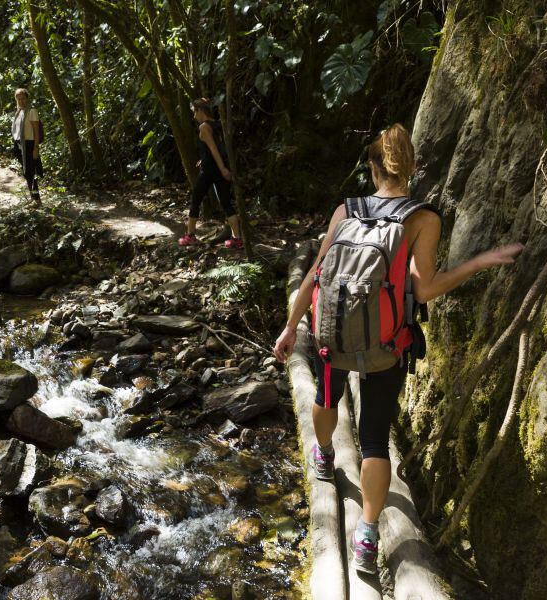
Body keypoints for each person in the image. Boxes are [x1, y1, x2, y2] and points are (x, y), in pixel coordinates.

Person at [271, 123, 523, 574]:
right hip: (385, 344)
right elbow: (424, 290)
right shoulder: (422, 219)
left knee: (327, 397)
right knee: (373, 439)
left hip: (331, 336)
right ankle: (367, 536)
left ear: (372, 167)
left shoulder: (345, 210)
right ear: (413, 167)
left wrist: (291, 328)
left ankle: (324, 455)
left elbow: (315, 274)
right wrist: (479, 263)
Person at [178, 98, 244, 249]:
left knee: (196, 199)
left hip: (209, 171)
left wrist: (222, 169)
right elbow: (217, 147)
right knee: (226, 202)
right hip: (218, 167)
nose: (194, 116)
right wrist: (210, 161)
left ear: (200, 110)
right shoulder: (218, 124)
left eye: (194, 112)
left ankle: (190, 236)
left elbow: (214, 148)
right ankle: (237, 238)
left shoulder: (204, 127)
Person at [12, 88, 42, 206]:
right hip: (20, 145)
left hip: (29, 145)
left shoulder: (32, 111)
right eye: (19, 99)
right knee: (26, 173)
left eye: (23, 98)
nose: (21, 101)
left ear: (27, 98)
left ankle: (37, 200)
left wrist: (36, 148)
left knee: (30, 173)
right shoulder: (19, 111)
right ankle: (32, 197)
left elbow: (36, 131)